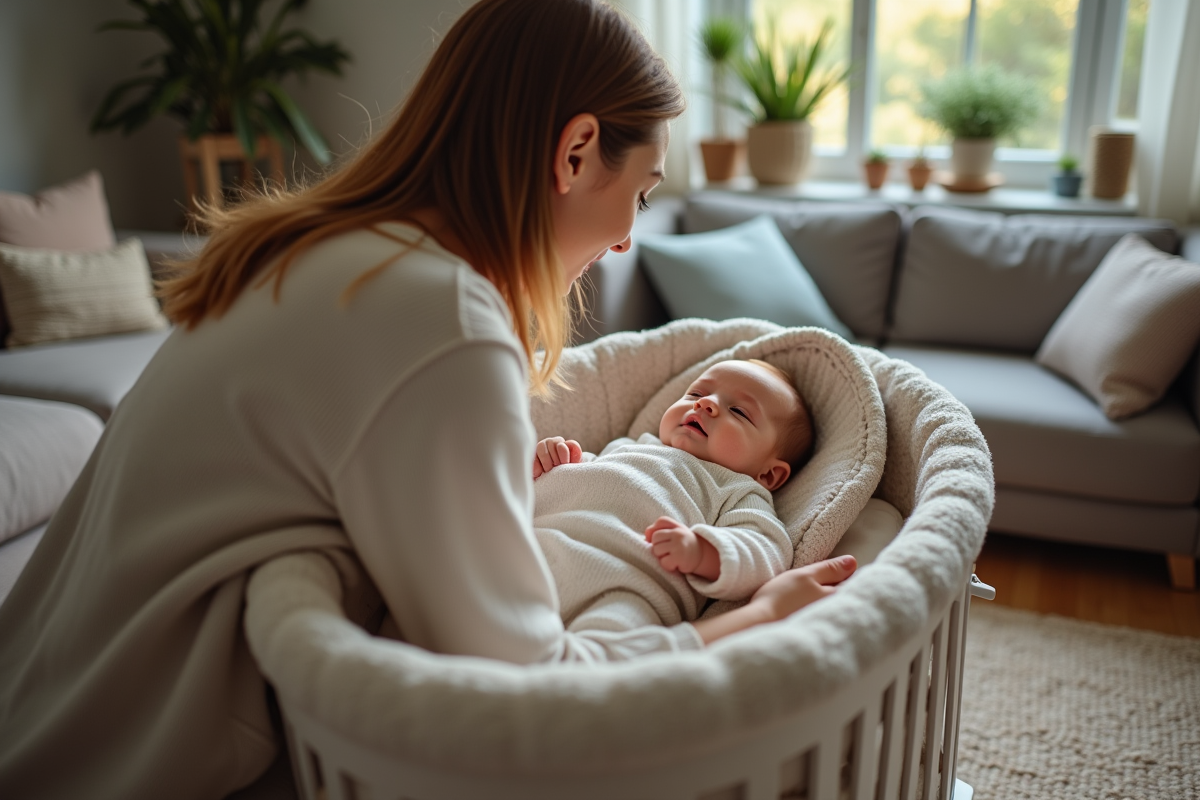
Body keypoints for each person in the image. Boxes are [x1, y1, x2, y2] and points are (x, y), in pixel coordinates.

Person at [0, 1, 856, 798]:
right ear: (575, 152)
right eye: (640, 192)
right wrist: (758, 618)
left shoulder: (318, 249)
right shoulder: (441, 322)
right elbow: (532, 697)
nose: (629, 236)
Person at [532, 359, 815, 640]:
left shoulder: (739, 490)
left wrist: (703, 552)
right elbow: (582, 482)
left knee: (604, 650)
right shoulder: (630, 446)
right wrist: (552, 463)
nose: (706, 404)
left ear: (769, 474)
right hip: (540, 551)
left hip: (624, 585)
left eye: (739, 412)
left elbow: (767, 549)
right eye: (696, 394)